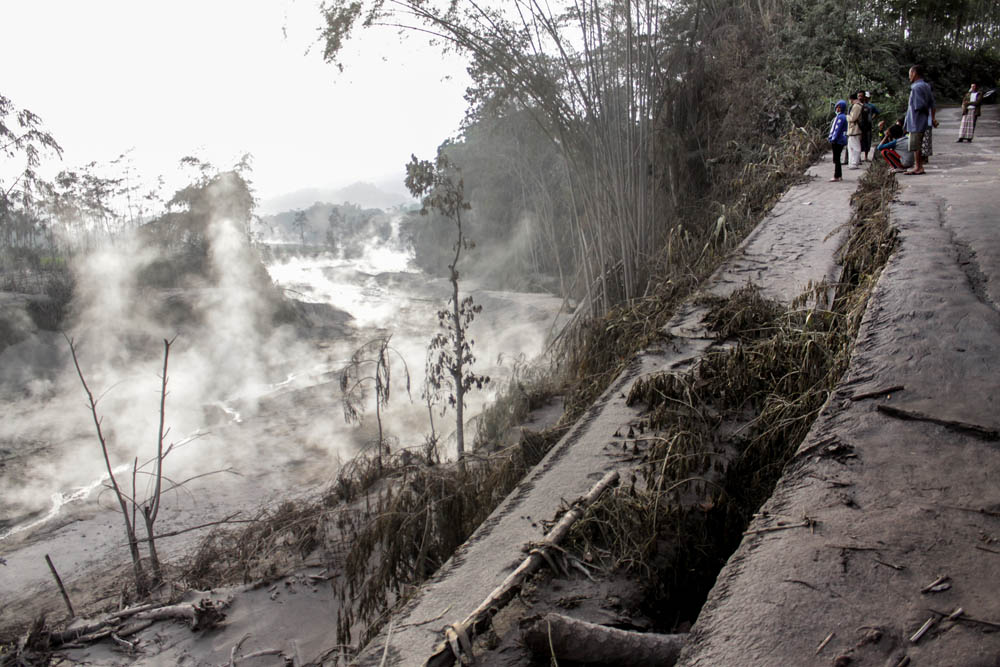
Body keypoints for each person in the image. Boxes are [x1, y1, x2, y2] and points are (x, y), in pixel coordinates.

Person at [903, 65, 937, 175]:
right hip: (922, 120)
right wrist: (932, 118)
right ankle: (919, 166)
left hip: (916, 120)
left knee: (915, 145)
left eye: (910, 74)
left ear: (914, 73)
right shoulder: (926, 86)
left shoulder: (916, 87)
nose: (909, 77)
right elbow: (932, 103)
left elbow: (918, 105)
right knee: (918, 144)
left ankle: (918, 167)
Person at [828, 100, 849, 182]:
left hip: (838, 140)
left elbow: (837, 129)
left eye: (840, 107)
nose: (838, 109)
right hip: (840, 140)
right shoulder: (842, 116)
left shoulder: (840, 117)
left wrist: (833, 138)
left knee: (836, 159)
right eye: (837, 107)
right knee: (837, 158)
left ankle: (836, 176)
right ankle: (839, 175)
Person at [847, 93, 863, 169]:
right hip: (853, 130)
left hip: (855, 129)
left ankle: (854, 163)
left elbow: (852, 118)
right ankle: (851, 163)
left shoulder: (856, 106)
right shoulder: (860, 105)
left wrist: (846, 116)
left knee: (856, 147)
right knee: (850, 147)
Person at [859, 91, 874, 161]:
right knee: (859, 142)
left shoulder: (869, 107)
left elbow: (869, 118)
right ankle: (858, 157)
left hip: (867, 127)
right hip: (859, 127)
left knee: (867, 141)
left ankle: (866, 156)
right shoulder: (857, 106)